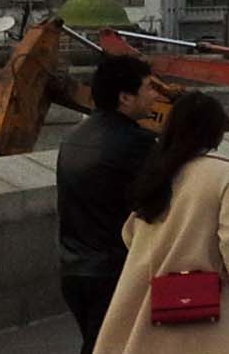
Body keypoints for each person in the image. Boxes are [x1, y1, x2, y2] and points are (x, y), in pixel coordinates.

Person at [93, 91, 229, 354]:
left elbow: (130, 234)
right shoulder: (226, 174)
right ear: (215, 131)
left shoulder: (157, 172)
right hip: (211, 302)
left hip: (155, 296)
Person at [57, 55, 161, 354]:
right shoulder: (137, 143)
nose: (155, 94)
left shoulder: (72, 137)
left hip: (74, 268)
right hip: (114, 270)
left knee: (97, 344)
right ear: (125, 98)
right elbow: (157, 200)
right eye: (148, 88)